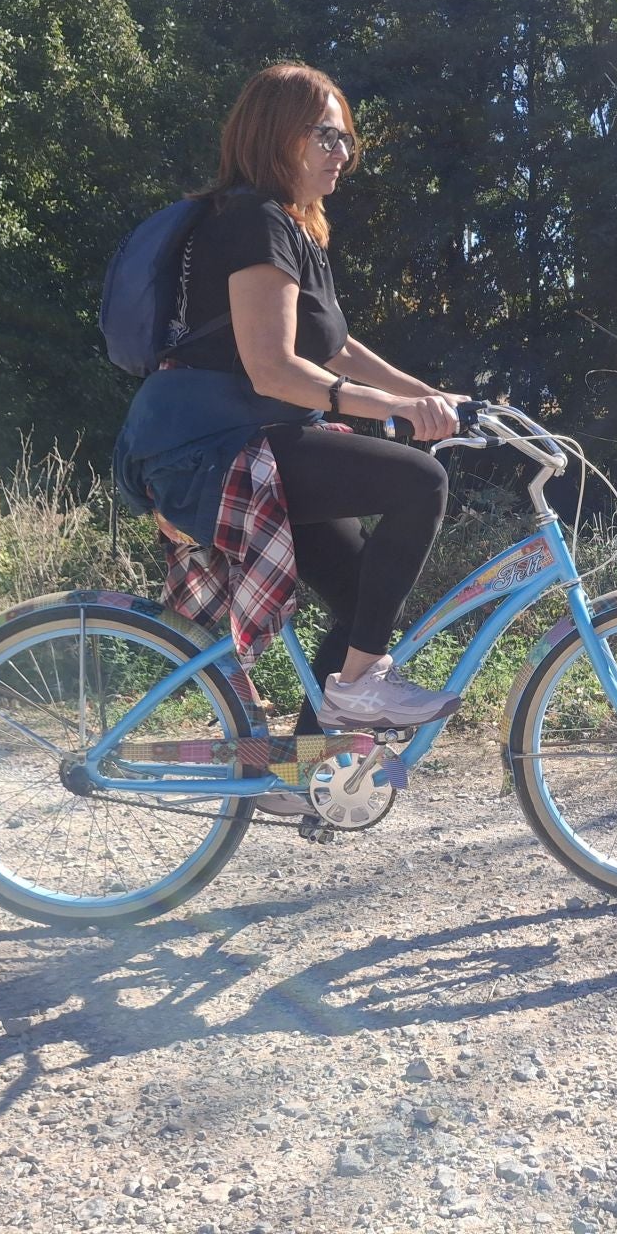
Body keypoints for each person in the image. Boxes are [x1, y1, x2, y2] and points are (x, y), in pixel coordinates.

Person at [115, 62, 466, 806]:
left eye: (349, 140)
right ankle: (361, 687)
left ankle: (300, 775)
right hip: (213, 445)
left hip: (252, 437)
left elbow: (334, 351)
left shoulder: (293, 231)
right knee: (420, 481)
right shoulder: (251, 221)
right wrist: (394, 414)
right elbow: (274, 369)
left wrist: (427, 395)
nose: (343, 152)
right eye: (327, 134)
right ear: (278, 134)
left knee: (359, 590)